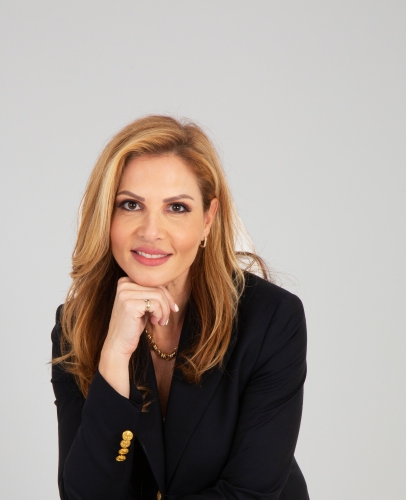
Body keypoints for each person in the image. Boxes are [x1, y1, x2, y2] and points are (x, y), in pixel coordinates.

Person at [51, 115, 309, 500]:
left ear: (207, 220)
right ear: (106, 216)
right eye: (130, 204)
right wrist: (114, 357)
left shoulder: (271, 319)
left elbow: (248, 494)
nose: (151, 231)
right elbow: (84, 495)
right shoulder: (77, 325)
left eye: (176, 208)